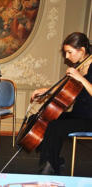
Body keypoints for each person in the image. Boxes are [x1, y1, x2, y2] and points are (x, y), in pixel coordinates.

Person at [31, 32, 92, 175]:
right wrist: (46, 90)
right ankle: (53, 161)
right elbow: (66, 88)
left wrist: (80, 78)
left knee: (56, 127)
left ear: (82, 50)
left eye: (70, 52)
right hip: (79, 114)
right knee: (47, 119)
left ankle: (49, 167)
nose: (67, 57)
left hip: (90, 117)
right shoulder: (79, 65)